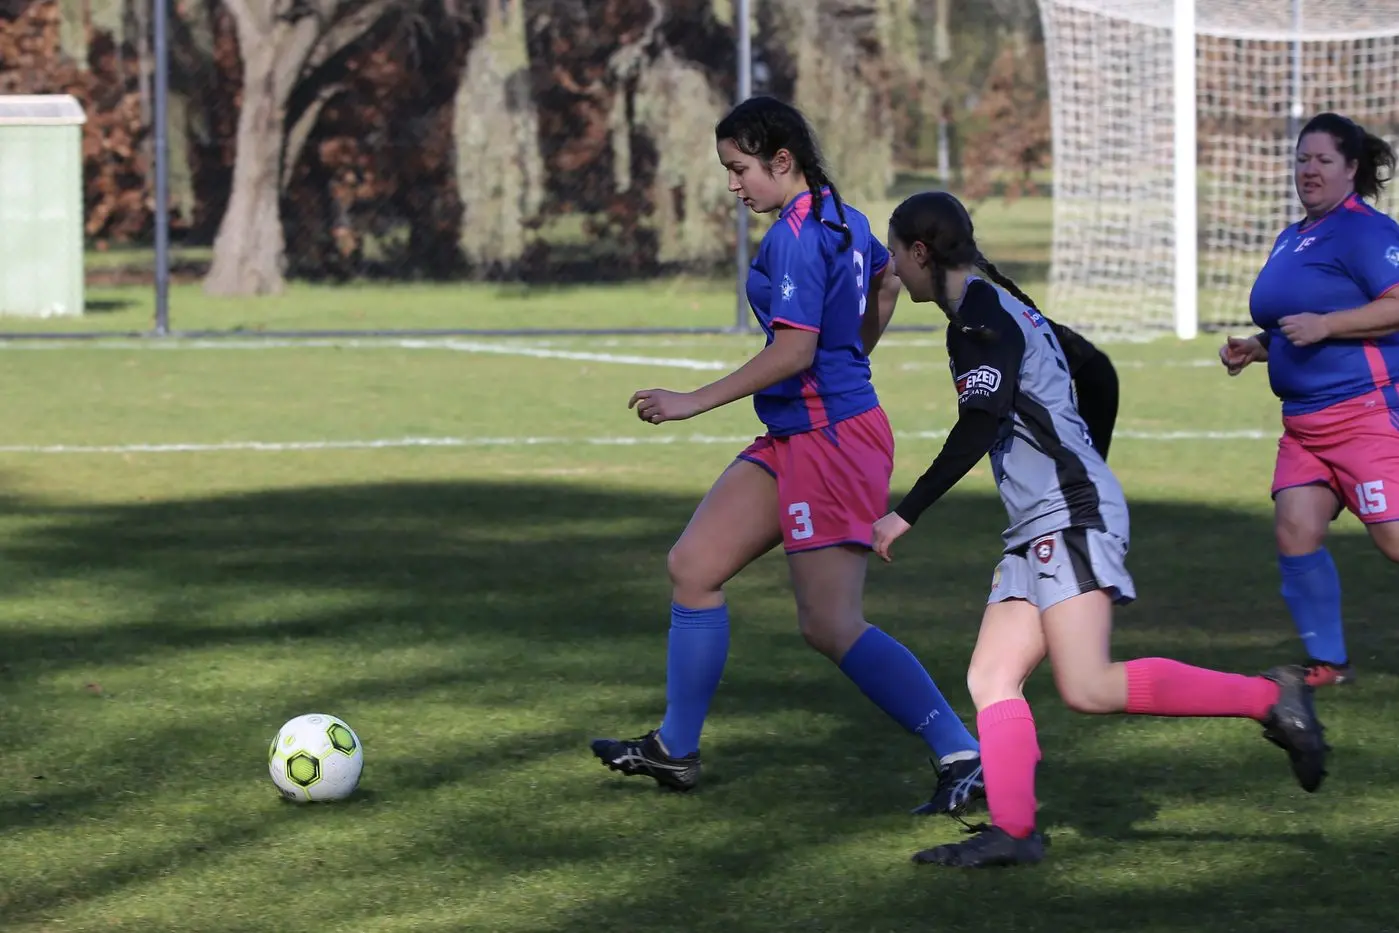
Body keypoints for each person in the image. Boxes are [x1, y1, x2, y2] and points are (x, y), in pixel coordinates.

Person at [873, 190, 1329, 869]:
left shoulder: (975, 318)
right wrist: (1085, 465)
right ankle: (1014, 830)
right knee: (991, 675)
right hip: (1049, 515)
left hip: (1065, 514)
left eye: (893, 254)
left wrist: (902, 512)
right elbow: (1096, 370)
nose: (890, 270)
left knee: (1085, 685)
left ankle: (1269, 697)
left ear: (918, 252)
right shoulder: (1001, 305)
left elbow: (979, 422)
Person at [589, 96, 985, 816]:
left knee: (829, 625)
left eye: (740, 169)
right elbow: (882, 287)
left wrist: (690, 399)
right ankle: (675, 747)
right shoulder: (845, 215)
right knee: (693, 566)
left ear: (781, 160)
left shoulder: (800, 236)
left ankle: (962, 752)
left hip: (831, 442)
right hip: (798, 433)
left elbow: (796, 349)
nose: (733, 185)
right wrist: (846, 354)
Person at [1220, 111, 1399, 688]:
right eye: (1302, 159)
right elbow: (1296, 323)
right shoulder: (1292, 236)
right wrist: (1258, 345)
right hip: (1304, 426)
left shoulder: (1366, 231)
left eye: (1323, 160)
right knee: (1296, 530)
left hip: (1364, 414)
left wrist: (1327, 326)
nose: (1309, 171)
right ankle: (1329, 664)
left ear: (1351, 168)